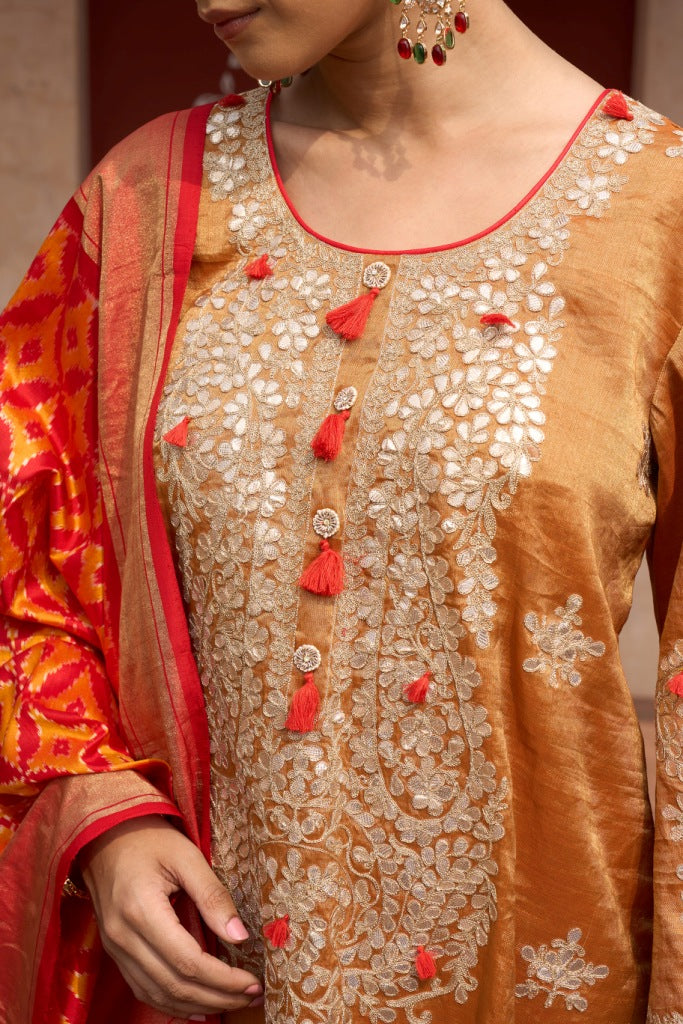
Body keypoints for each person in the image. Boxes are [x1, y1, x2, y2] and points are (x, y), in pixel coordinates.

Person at [1, 0, 682, 1021]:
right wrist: (103, 814)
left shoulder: (659, 214)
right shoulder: (145, 198)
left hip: (531, 969)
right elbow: (23, 548)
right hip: (206, 978)